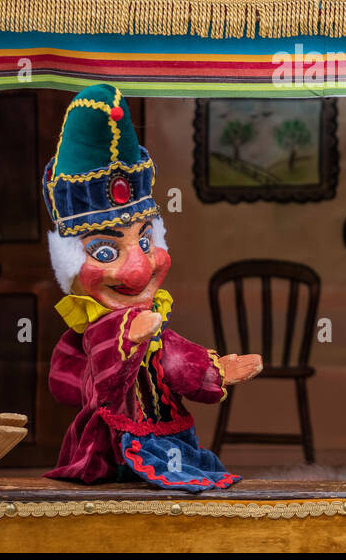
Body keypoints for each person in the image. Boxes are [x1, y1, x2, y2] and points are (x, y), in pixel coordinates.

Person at [42, 83, 262, 491]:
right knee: (152, 464)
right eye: (107, 251)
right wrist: (130, 339)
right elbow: (90, 379)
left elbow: (175, 361)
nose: (139, 270)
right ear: (71, 262)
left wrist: (215, 371)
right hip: (114, 436)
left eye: (145, 242)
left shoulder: (149, 320)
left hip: (157, 426)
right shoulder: (103, 330)